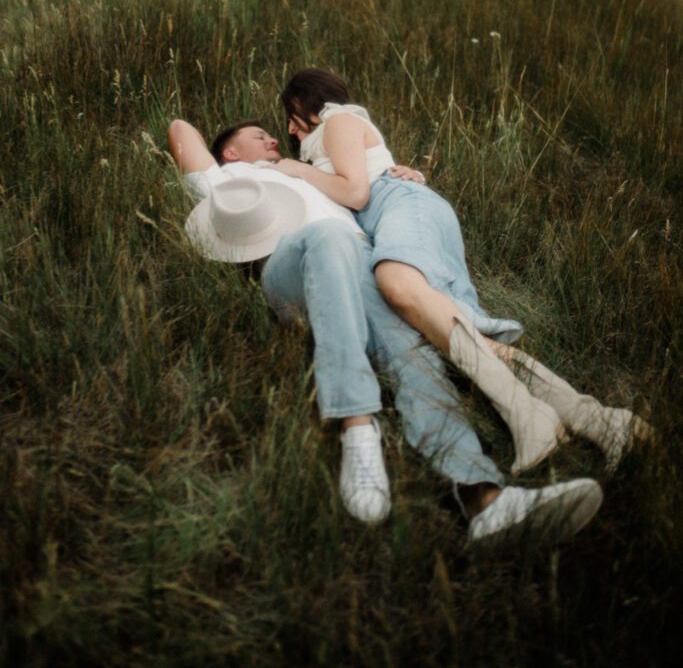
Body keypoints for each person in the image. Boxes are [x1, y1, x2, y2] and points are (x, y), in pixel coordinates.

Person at [168, 116, 604, 547]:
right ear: (229, 152)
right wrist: (236, 168)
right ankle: (356, 425)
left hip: (357, 260)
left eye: (272, 137)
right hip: (290, 267)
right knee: (326, 235)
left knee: (410, 353)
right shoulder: (224, 181)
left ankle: (483, 498)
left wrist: (406, 175)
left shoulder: (305, 173)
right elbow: (179, 129)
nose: (272, 142)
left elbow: (364, 186)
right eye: (258, 136)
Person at [272, 68, 652, 474]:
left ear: (306, 102)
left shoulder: (339, 120)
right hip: (390, 216)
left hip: (399, 205)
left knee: (396, 284)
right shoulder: (323, 140)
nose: (292, 133)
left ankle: (527, 416)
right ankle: (605, 424)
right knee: (449, 327)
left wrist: (298, 170)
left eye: (292, 119)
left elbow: (357, 191)